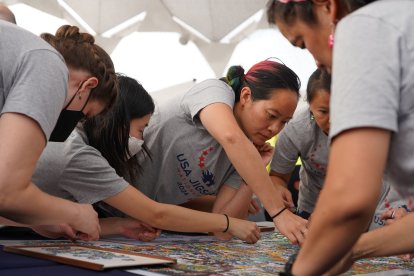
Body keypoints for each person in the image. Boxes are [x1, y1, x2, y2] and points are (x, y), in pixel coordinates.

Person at [267, 0, 414, 274]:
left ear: (328, 7)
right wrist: (349, 251)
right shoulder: (400, 21)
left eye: (302, 42)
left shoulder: (363, 31)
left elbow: (351, 196)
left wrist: (298, 271)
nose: (315, 60)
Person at [33, 74, 261, 243]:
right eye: (140, 130)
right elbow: (156, 213)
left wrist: (120, 225)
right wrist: (229, 223)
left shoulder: (77, 140)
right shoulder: (80, 156)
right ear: (117, 121)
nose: (141, 141)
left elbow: (55, 223)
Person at [123, 59, 308, 244]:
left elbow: (224, 227)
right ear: (245, 96)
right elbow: (230, 137)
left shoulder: (246, 154)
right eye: (271, 115)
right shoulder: (215, 91)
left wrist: (251, 174)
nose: (274, 128)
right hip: (104, 204)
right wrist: (279, 212)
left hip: (133, 226)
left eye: (284, 122)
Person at [0, 21, 117, 240]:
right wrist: (76, 213)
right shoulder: (50, 65)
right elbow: (6, 192)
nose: (76, 122)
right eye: (84, 114)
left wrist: (36, 219)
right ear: (87, 86)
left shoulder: (20, 63)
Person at [270, 68, 408, 230]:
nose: (333, 119)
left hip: (373, 213)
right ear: (310, 106)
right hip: (312, 210)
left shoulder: (373, 127)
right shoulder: (296, 130)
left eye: (341, 109)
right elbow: (278, 176)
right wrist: (278, 188)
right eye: (323, 111)